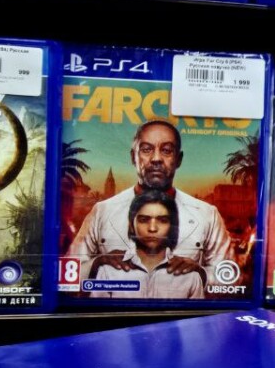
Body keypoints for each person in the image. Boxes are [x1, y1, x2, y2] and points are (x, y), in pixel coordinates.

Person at [69, 119, 234, 291]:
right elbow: (67, 275)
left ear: (178, 159)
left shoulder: (207, 214)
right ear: (133, 157)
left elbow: (232, 279)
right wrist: (97, 264)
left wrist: (200, 273)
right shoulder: (102, 211)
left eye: (166, 150)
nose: (156, 159)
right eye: (146, 150)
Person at [88, 191, 206, 299]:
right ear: (131, 226)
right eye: (144, 220)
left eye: (162, 220)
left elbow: (198, 315)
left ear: (172, 227)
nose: (152, 228)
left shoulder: (191, 276)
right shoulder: (108, 272)